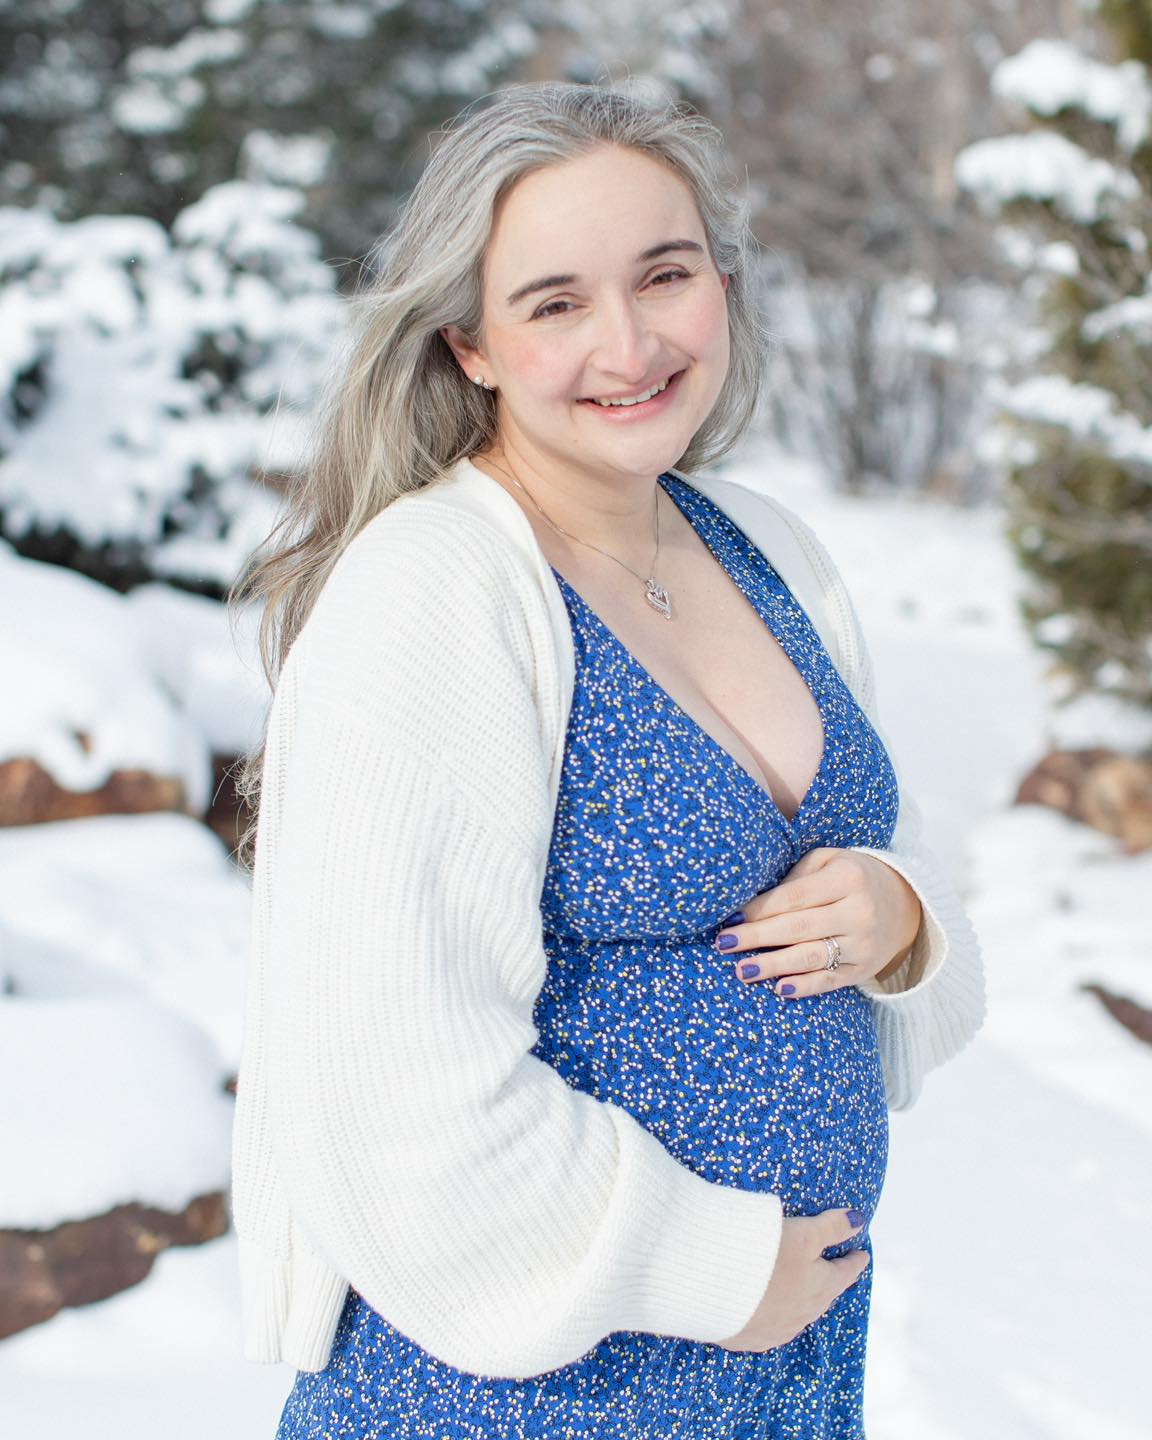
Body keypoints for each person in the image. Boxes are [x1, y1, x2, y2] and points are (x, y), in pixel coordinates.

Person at [228, 80, 987, 1439]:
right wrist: (715, 1267)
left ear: (723, 284)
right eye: (556, 302)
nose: (630, 343)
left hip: (783, 1379)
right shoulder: (435, 590)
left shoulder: (762, 548)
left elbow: (912, 883)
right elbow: (388, 1091)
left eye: (664, 274)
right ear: (469, 344)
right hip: (521, 1396)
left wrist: (901, 918)